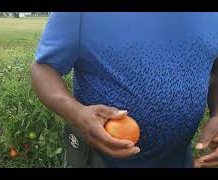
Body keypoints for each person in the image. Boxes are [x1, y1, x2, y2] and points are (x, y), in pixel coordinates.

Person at [30, 12, 218, 168]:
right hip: (100, 162)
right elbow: (44, 68)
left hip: (180, 160)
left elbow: (214, 69)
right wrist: (77, 114)